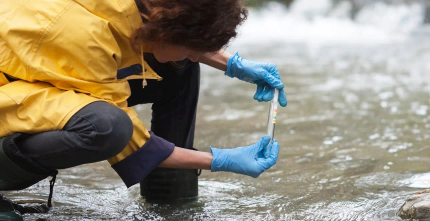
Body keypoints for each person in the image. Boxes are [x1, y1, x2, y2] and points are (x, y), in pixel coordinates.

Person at [0, 0, 287, 218]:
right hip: (10, 89)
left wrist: (234, 65)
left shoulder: (143, 10)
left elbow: (173, 39)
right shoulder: (88, 39)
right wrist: (218, 160)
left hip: (35, 71)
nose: (196, 55)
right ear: (166, 32)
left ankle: (170, 199)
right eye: (191, 47)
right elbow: (133, 144)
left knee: (181, 67)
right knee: (107, 127)